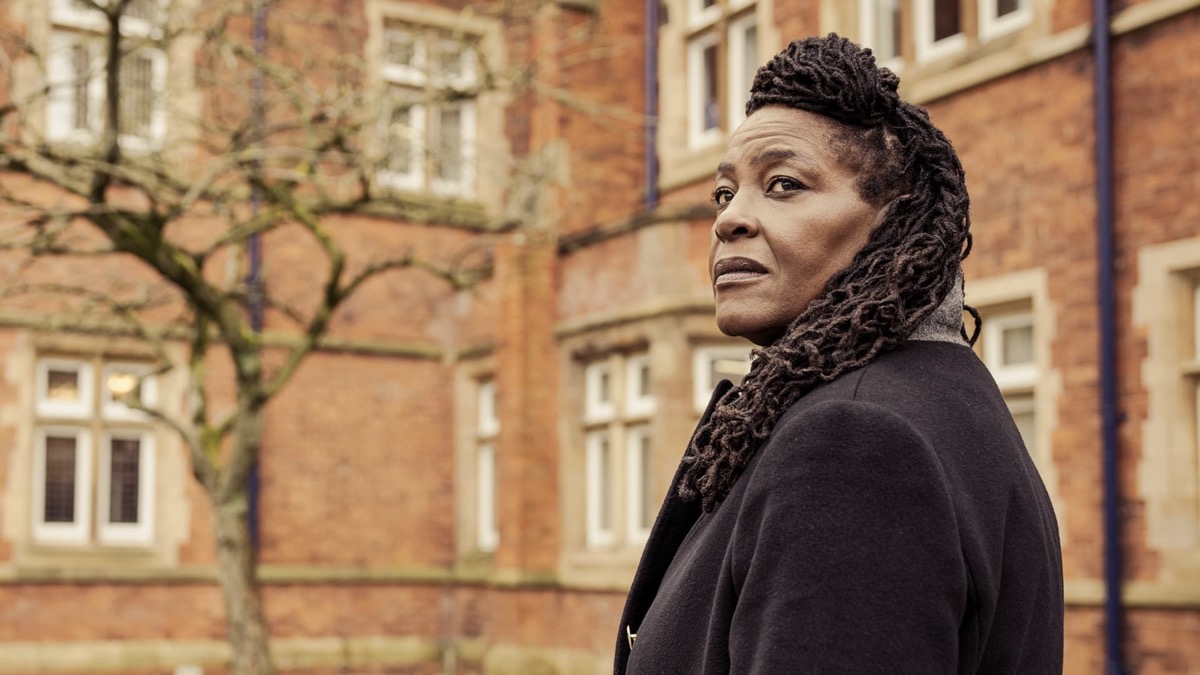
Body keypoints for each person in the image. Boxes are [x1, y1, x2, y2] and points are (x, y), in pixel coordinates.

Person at [614, 34, 1063, 674]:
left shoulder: (852, 445)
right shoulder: (939, 399)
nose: (729, 220)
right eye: (724, 193)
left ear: (895, 221)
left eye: (784, 184)